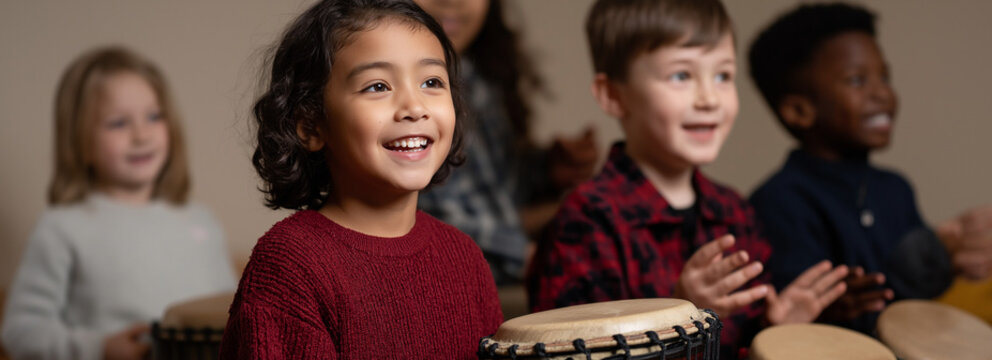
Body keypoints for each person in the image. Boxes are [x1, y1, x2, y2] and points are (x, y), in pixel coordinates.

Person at [527, 1, 848, 358]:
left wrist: (775, 329)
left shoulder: (735, 213)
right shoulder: (587, 219)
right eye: (681, 76)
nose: (710, 98)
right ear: (613, 95)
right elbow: (562, 353)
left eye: (723, 76)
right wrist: (680, 313)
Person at [219, 0, 501, 357]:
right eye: (378, 86)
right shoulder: (290, 265)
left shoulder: (464, 258)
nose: (415, 107)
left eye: (431, 81)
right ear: (311, 126)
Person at [747, 2, 992, 333]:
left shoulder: (896, 189)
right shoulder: (780, 202)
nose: (882, 93)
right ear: (800, 110)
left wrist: (942, 262)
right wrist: (832, 310)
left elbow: (909, 301)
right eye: (857, 80)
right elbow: (801, 325)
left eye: (884, 76)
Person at [0, 46, 236, 360]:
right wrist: (98, 348)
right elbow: (20, 330)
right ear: (80, 140)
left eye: (153, 116)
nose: (142, 135)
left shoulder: (200, 221)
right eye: (118, 123)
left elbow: (234, 312)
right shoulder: (63, 227)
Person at [413, 0, 599, 285]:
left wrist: (546, 171)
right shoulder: (411, 98)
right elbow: (431, 225)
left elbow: (490, 193)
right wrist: (530, 250)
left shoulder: (477, 79)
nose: (453, 1)